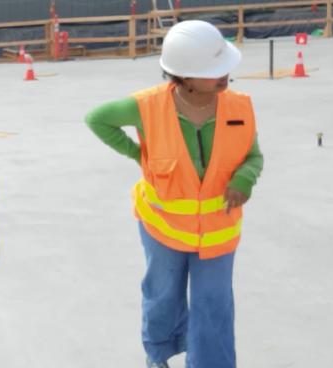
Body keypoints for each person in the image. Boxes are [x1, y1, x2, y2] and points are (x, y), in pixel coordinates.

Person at [84, 20, 264, 368]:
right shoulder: (148, 106)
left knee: (214, 304)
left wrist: (245, 179)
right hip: (162, 228)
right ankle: (159, 356)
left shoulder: (240, 107)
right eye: (213, 71)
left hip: (218, 231)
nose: (224, 75)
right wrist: (137, 153)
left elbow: (253, 156)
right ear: (183, 78)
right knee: (162, 298)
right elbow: (96, 119)